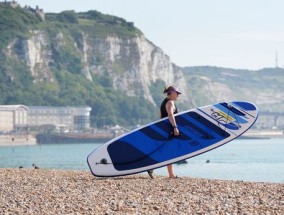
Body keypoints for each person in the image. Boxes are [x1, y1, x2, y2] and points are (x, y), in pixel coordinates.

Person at [147, 85, 181, 179]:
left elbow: (161, 116)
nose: (178, 95)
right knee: (168, 151)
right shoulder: (170, 102)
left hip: (164, 129)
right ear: (172, 93)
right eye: (177, 93)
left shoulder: (164, 102)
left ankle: (166, 172)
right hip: (169, 130)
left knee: (166, 151)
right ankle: (154, 167)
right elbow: (170, 115)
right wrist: (175, 127)